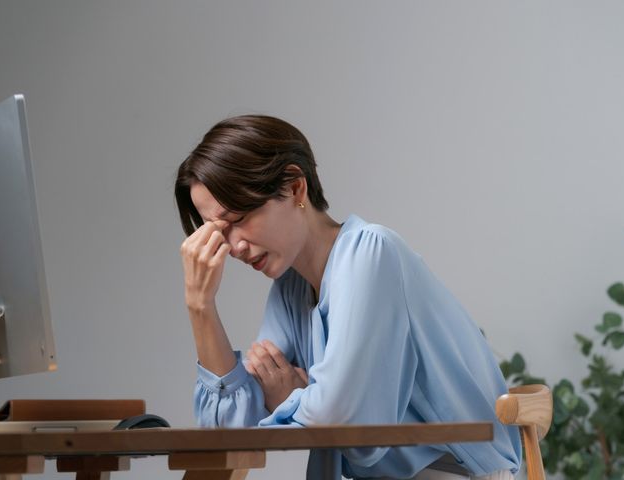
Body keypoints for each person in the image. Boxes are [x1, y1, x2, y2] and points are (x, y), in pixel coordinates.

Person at [174, 115, 521, 480]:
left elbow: (352, 430)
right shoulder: (291, 289)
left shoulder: (371, 253)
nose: (234, 247)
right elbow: (229, 435)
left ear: (295, 187)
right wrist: (201, 305)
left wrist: (291, 398)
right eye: (219, 232)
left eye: (239, 218)